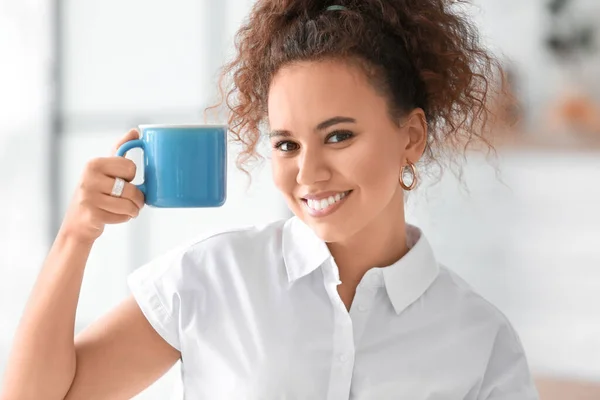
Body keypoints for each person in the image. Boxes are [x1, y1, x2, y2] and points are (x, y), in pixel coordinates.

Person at [1, 1, 539, 399]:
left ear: (412, 137)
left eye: (338, 136)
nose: (308, 173)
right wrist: (76, 234)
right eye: (286, 144)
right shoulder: (214, 276)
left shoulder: (479, 339)